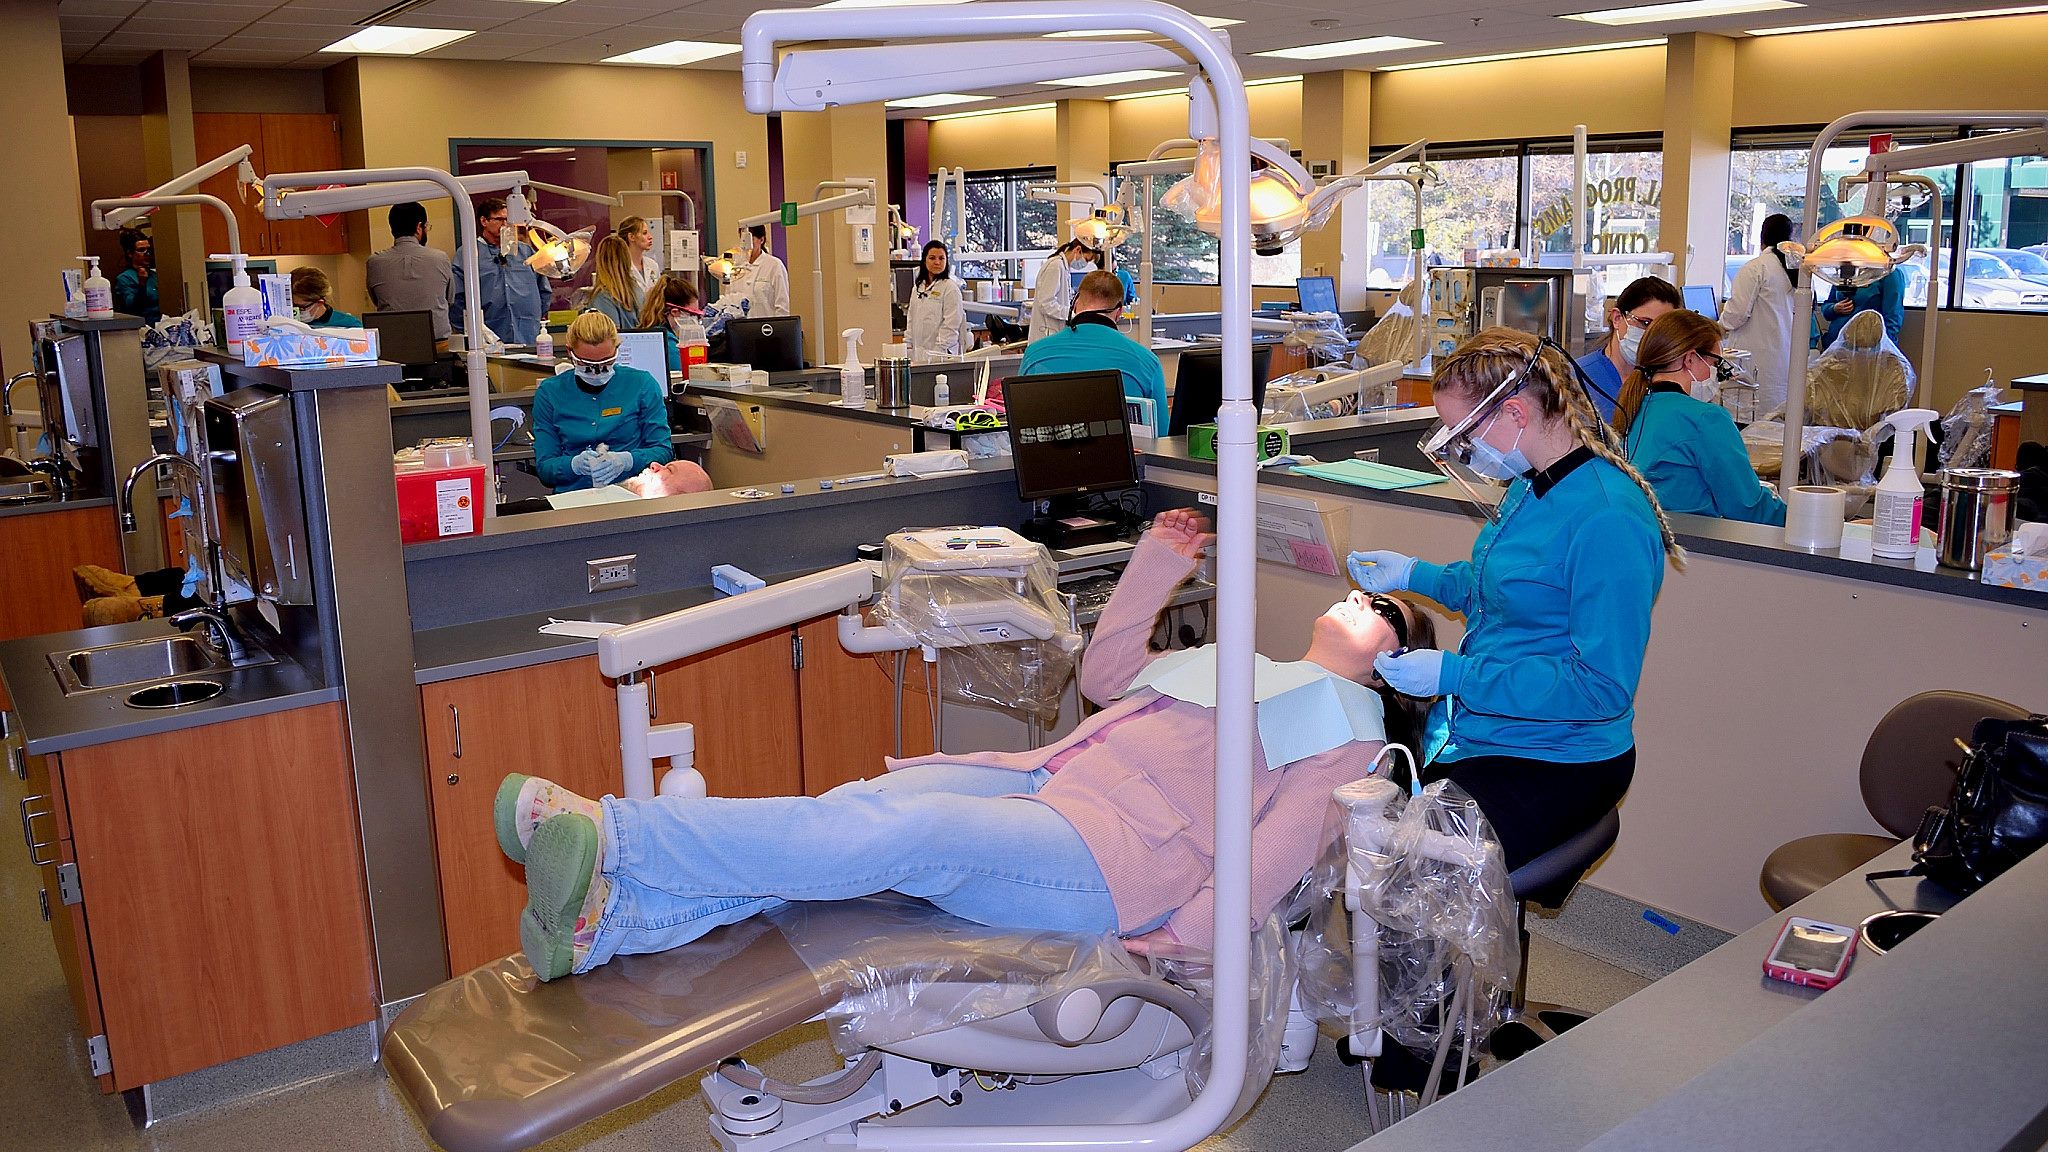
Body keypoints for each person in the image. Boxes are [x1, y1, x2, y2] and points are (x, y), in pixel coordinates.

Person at [494, 509, 1438, 980]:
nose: (1361, 598)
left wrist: (1173, 945)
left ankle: (614, 836)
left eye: (1384, 612)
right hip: (1044, 788)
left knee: (914, 837)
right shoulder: (1246, 663)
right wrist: (1157, 561)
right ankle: (610, 928)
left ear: (1399, 666)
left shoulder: (1352, 743)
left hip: (1116, 863)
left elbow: (1268, 864)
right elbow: (1107, 677)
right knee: (860, 812)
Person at [1348, 328, 1683, 871]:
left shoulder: (1609, 519)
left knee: (1417, 867)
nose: (1461, 448)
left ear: (1514, 415)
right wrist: (1413, 573)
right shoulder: (1531, 484)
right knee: (1380, 833)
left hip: (1560, 755)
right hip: (1491, 725)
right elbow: (1502, 588)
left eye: (1462, 431)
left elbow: (1600, 688)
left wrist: (1455, 676)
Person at [1612, 311, 1787, 526]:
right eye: (1715, 365)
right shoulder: (1706, 419)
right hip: (1695, 552)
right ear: (1690, 358)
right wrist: (1803, 518)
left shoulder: (1632, 409)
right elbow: (1747, 507)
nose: (1716, 375)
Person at [530, 312, 673, 493]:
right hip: (574, 497)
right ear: (569, 352)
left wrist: (628, 461)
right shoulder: (550, 392)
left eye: (606, 363)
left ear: (617, 349)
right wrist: (573, 465)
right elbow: (545, 468)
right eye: (587, 365)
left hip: (631, 493)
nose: (597, 372)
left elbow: (663, 450)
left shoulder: (642, 384)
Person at [1017, 270, 1167, 435]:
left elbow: (1022, 428)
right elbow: (1161, 437)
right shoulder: (1146, 362)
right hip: (1121, 459)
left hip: (1050, 458)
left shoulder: (1035, 355)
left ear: (1074, 304)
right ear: (1119, 312)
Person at [1720, 214, 1799, 417]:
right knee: (1776, 423)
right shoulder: (1798, 271)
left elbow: (1735, 315)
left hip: (1756, 364)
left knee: (1752, 425)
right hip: (1786, 363)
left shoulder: (1756, 268)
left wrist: (1714, 329)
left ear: (1762, 237)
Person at [1576, 276, 1683, 424]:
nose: (1651, 336)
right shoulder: (1577, 377)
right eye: (1645, 323)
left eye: (1660, 329)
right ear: (1617, 318)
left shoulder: (1667, 381)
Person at [452, 197, 550, 346]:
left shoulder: (525, 252)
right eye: (499, 219)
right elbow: (457, 299)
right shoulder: (469, 255)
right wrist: (473, 333)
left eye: (508, 220)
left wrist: (532, 318)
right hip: (489, 340)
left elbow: (544, 291)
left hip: (527, 336)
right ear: (484, 221)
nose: (506, 225)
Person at [365, 202, 456, 342]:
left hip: (393, 348)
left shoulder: (374, 262)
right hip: (437, 348)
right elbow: (449, 299)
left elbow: (377, 300)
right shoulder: (440, 258)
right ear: (419, 227)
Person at [1028, 236, 1102, 344]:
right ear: (1078, 249)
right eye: (1086, 260)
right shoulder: (1055, 266)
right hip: (1046, 336)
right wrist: (1072, 314)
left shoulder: (1064, 267)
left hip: (1054, 335)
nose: (1084, 264)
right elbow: (1046, 304)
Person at [905, 240, 967, 361]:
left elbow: (951, 324)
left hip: (941, 354)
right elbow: (911, 319)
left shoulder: (950, 288)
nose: (937, 262)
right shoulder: (918, 288)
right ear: (925, 260)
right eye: (932, 258)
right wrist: (908, 344)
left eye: (941, 258)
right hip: (918, 353)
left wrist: (938, 350)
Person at [637, 273, 708, 373]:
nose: (695, 320)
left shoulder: (652, 333)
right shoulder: (668, 342)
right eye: (693, 314)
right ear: (675, 312)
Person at [1820, 264, 1905, 348]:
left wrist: (1884, 347)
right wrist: (1834, 308)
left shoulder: (1889, 273)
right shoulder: (1846, 270)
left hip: (1868, 346)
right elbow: (1827, 308)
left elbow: (1893, 316)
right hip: (1836, 342)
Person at [729, 225, 791, 317]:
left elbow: (782, 307)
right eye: (743, 240)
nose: (746, 245)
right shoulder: (737, 267)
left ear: (761, 240)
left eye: (750, 240)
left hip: (767, 328)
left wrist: (779, 329)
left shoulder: (774, 265)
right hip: (740, 328)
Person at [581, 234, 641, 330]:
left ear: (600, 261)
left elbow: (610, 335)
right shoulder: (637, 290)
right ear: (627, 259)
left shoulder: (603, 297)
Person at [112, 229, 159, 324]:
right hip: (141, 327)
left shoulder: (154, 275)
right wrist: (142, 284)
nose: (147, 254)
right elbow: (132, 308)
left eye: (148, 249)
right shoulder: (125, 278)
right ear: (130, 253)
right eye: (141, 250)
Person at [288, 267, 361, 328]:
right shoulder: (286, 324)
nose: (294, 311)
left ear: (320, 302)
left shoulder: (350, 325)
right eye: (290, 306)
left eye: (300, 307)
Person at [618, 215, 664, 306]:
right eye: (644, 233)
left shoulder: (652, 265)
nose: (650, 237)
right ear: (631, 237)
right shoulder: (620, 267)